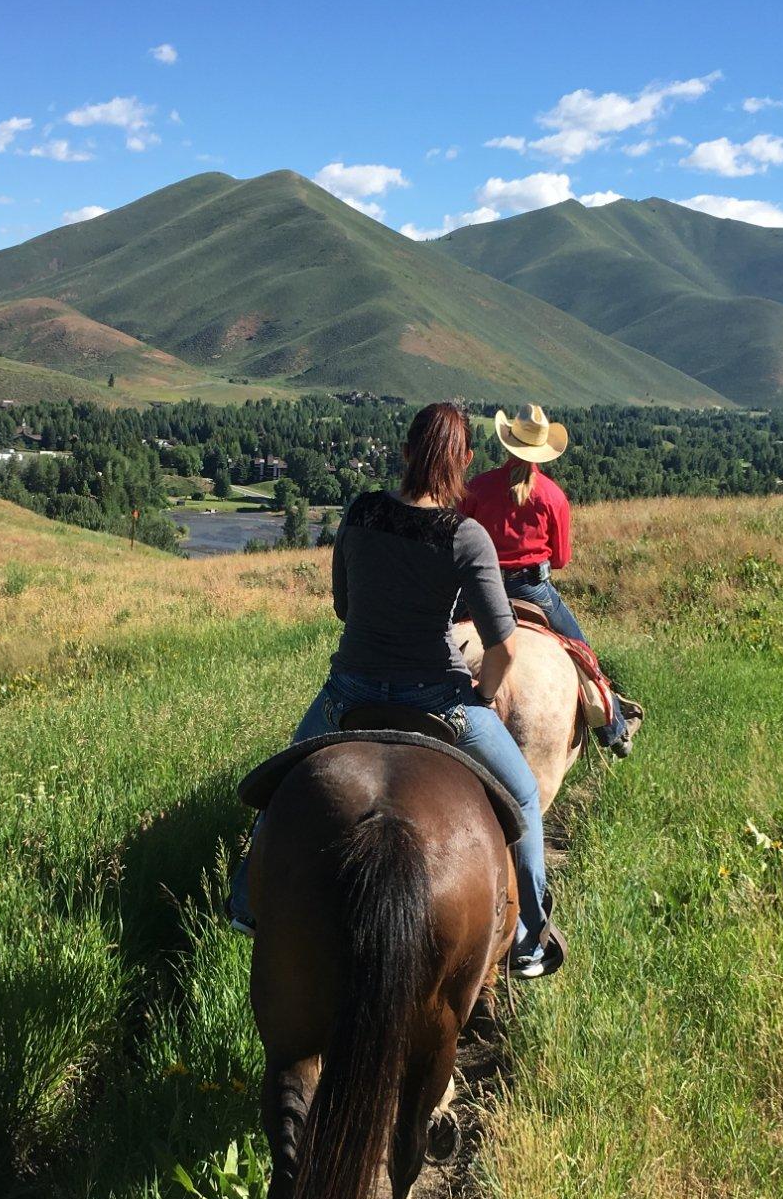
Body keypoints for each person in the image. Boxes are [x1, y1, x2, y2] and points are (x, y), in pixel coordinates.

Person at [229, 402, 560, 977]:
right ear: (465, 463)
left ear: (405, 452)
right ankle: (532, 937)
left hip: (350, 691)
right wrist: (480, 694)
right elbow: (504, 647)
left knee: (281, 786)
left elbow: (344, 607)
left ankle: (243, 902)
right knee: (526, 796)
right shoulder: (466, 537)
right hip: (440, 700)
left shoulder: (359, 513)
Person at [459, 405, 636, 757]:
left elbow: (459, 540)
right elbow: (561, 560)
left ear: (507, 444)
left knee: (430, 642)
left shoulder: (477, 487)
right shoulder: (554, 496)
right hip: (532, 590)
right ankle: (614, 729)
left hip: (479, 587)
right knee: (584, 656)